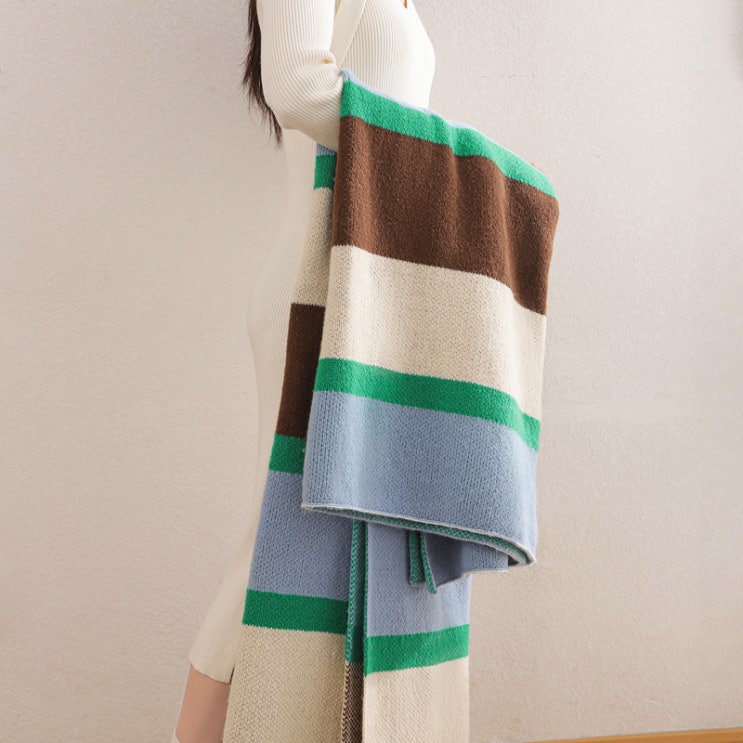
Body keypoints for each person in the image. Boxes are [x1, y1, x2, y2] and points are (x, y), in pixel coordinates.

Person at [172, 0, 435, 740]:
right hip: (315, 298)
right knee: (275, 544)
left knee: (327, 553)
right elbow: (294, 86)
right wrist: (457, 164)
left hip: (363, 293)